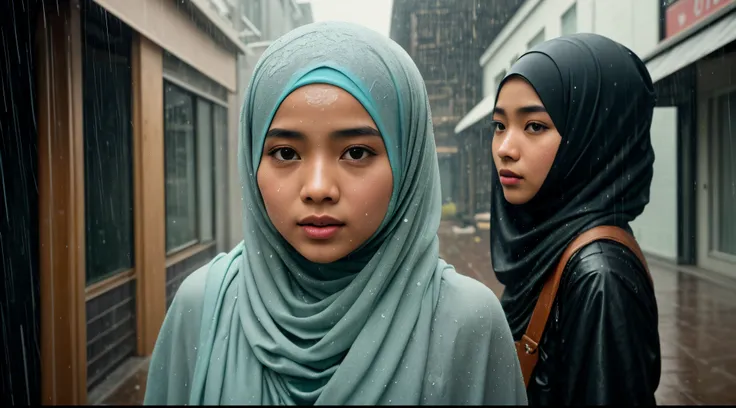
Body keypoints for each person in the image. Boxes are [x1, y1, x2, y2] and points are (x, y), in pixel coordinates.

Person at [144, 21, 527, 406]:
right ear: (251, 160)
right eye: (285, 153)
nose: (318, 189)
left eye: (356, 153)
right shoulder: (202, 308)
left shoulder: (466, 323)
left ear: (408, 163)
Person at [489, 33, 661, 405]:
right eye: (499, 125)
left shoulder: (600, 278)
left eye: (534, 126)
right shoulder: (547, 239)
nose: (505, 149)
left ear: (591, 139)